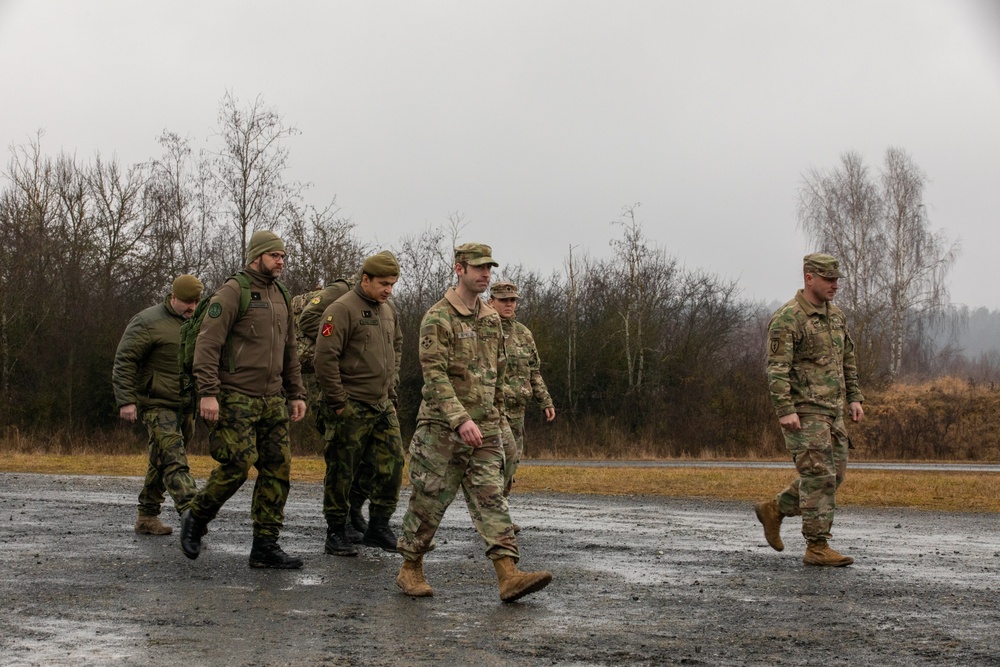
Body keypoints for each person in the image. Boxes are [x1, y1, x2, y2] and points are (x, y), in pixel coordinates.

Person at [395, 242, 552, 602]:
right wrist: (459, 418)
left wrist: (497, 421)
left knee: (492, 498)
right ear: (459, 269)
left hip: (486, 428)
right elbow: (433, 377)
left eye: (489, 268)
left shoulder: (491, 318)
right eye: (478, 268)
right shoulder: (438, 318)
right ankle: (410, 567)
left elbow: (498, 374)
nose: (485, 274)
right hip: (441, 431)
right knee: (429, 502)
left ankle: (508, 574)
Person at [179, 230, 308, 569]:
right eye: (274, 255)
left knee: (278, 470)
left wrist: (295, 393)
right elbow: (207, 344)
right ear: (257, 256)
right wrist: (208, 393)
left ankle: (265, 545)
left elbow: (290, 350)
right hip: (235, 396)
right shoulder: (234, 291)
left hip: (272, 399)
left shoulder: (281, 293)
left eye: (283, 255)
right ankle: (197, 515)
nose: (281, 261)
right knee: (237, 464)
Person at [755, 253, 865, 567]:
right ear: (809, 278)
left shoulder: (837, 317)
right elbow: (776, 370)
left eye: (837, 279)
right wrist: (784, 409)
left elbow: (847, 361)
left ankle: (774, 509)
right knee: (819, 477)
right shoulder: (788, 318)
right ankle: (817, 546)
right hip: (804, 411)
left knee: (834, 476)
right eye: (828, 279)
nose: (835, 285)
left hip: (833, 411)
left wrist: (854, 398)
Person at [314, 251, 404, 557]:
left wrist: (391, 390)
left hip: (382, 404)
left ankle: (379, 526)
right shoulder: (341, 310)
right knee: (342, 469)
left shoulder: (388, 310)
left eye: (392, 284)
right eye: (383, 283)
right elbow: (325, 358)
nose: (388, 289)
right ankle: (336, 530)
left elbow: (397, 346)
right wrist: (339, 402)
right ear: (365, 279)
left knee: (392, 465)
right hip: (351, 404)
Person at [112, 275, 204, 535]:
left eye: (196, 302)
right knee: (175, 458)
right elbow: (125, 360)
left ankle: (146, 516)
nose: (192, 307)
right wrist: (126, 400)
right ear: (173, 297)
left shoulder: (199, 322)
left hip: (187, 404)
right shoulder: (147, 322)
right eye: (187, 302)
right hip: (157, 403)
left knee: (160, 459)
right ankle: (192, 512)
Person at [297, 270, 377, 541]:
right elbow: (308, 318)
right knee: (343, 462)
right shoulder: (339, 292)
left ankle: (353, 511)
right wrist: (336, 338)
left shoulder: (376, 306)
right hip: (336, 388)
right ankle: (340, 523)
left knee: (371, 462)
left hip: (364, 393)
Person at [488, 281, 555, 499]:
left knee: (512, 462)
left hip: (518, 409)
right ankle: (494, 517)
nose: (509, 304)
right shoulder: (484, 331)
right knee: (498, 460)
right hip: (494, 409)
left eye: (512, 300)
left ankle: (500, 510)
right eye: (503, 300)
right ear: (491, 301)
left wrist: (545, 401)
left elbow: (533, 371)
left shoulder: (524, 334)